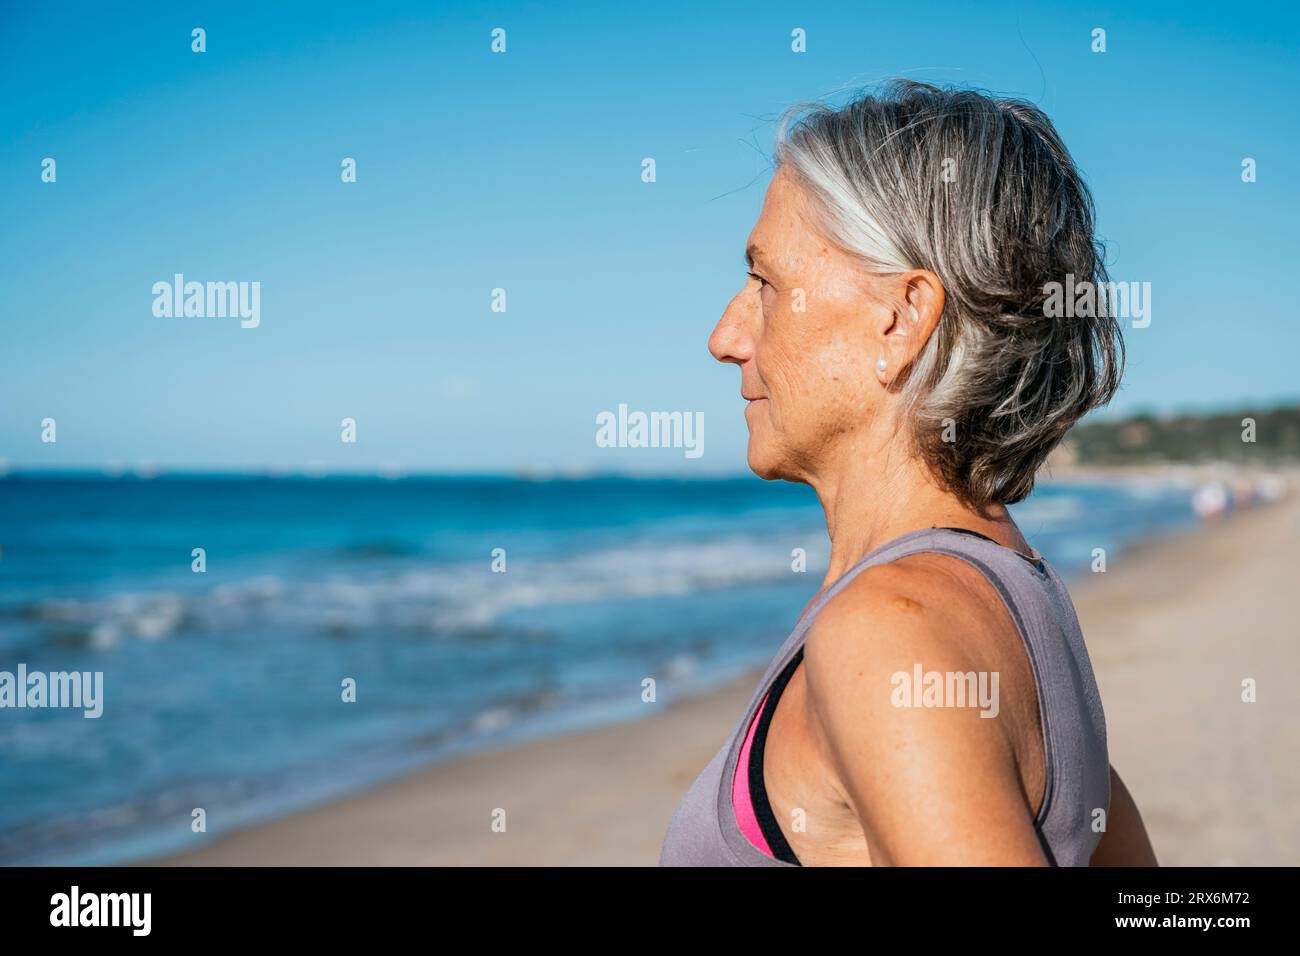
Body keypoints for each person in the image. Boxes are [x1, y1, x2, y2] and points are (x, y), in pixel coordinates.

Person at [660, 81, 1157, 866]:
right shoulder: (1021, 602)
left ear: (900, 319)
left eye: (765, 283)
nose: (726, 337)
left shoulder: (892, 629)